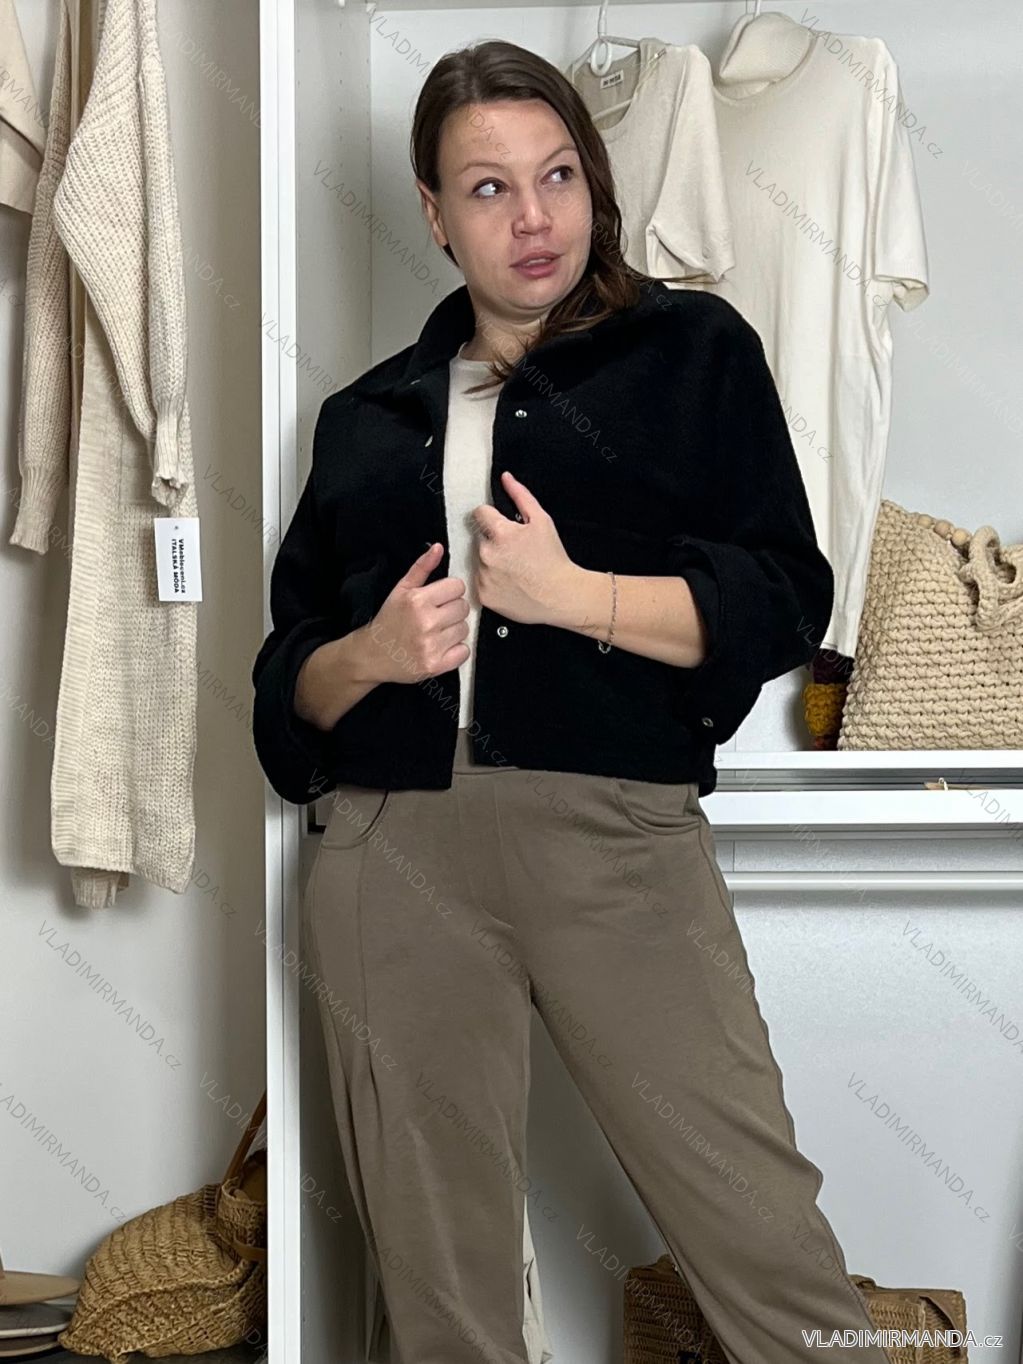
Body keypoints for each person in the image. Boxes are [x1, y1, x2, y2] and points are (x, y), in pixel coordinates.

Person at [251, 37, 892, 1364]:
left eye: (557, 175)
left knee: (765, 1240)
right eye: (487, 188)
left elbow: (785, 597)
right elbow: (285, 686)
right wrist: (373, 652)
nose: (533, 216)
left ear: (595, 181)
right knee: (441, 1287)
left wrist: (574, 596)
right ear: (434, 213)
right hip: (393, 848)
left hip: (617, 837)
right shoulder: (366, 417)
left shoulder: (693, 353)